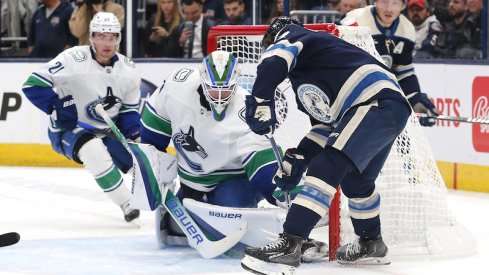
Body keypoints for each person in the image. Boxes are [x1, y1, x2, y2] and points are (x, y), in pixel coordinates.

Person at [239, 16, 416, 274]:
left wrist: (260, 100)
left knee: (326, 167)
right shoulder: (311, 72)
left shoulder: (294, 37)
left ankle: (290, 244)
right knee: (357, 180)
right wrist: (299, 157)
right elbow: (327, 127)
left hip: (373, 102)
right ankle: (371, 243)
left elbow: (275, 58)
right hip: (386, 107)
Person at [139, 50, 327, 259]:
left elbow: (261, 164)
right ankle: (201, 207)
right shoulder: (177, 85)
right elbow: (154, 128)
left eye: (225, 91)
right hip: (191, 183)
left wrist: (283, 191)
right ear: (202, 80)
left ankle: (291, 238)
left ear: (236, 83)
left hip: (235, 180)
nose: (219, 97)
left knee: (233, 226)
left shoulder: (246, 112)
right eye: (214, 90)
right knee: (174, 229)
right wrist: (153, 166)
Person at [22, 12, 141, 223]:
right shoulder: (72, 59)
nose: (107, 43)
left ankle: (165, 201)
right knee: (92, 149)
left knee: (143, 160)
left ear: (119, 39)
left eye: (112, 37)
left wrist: (134, 134)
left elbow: (129, 112)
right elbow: (32, 84)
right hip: (68, 129)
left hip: (107, 131)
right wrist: (56, 107)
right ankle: (126, 203)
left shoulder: (129, 70)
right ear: (92, 37)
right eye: (101, 36)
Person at [341, 0, 439, 126]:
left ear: (403, 6)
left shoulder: (407, 29)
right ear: (375, 2)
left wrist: (414, 98)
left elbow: (403, 71)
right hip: (347, 95)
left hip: (377, 98)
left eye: (395, 3)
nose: (389, 9)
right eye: (384, 1)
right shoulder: (354, 21)